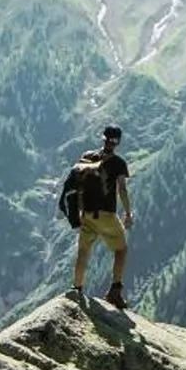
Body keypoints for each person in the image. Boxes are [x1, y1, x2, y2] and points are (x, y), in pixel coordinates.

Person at [64, 124, 134, 308]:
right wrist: (128, 213)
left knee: (83, 252)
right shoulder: (118, 163)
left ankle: (76, 288)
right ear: (117, 142)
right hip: (106, 215)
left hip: (86, 214)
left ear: (103, 138)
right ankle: (115, 292)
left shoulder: (87, 157)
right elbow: (122, 190)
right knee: (121, 250)